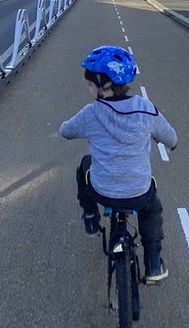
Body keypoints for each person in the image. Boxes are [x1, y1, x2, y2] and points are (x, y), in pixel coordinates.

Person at [60, 45, 177, 284]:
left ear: (105, 87)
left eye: (90, 85)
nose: (88, 89)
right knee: (152, 208)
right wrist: (165, 141)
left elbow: (65, 130)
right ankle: (153, 263)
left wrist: (70, 134)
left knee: (84, 166)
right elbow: (171, 138)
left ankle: (91, 217)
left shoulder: (90, 113)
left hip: (102, 191)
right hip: (138, 193)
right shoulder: (146, 109)